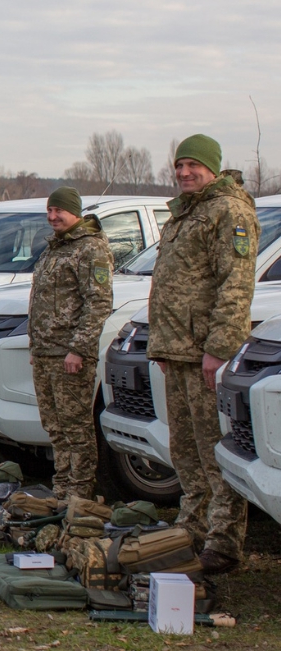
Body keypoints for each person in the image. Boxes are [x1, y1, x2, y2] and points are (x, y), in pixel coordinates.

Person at [148, 134, 259, 575]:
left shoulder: (229, 211)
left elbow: (236, 285)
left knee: (215, 450)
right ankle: (192, 527)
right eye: (179, 166)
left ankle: (223, 541)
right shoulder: (186, 212)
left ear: (213, 167)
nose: (184, 173)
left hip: (203, 355)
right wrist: (162, 343)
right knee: (186, 450)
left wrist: (219, 349)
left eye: (193, 165)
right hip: (176, 350)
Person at [28, 187, 113, 500]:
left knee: (75, 427)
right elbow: (40, 301)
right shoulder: (54, 248)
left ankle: (80, 491)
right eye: (49, 211)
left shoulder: (90, 248)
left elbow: (98, 302)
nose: (52, 217)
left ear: (74, 212)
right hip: (46, 351)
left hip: (70, 354)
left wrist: (79, 348)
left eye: (59, 211)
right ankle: (62, 486)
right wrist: (36, 347)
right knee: (54, 425)